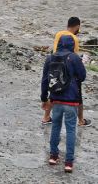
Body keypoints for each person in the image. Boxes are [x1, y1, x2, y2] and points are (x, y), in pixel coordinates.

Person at [41, 32, 87, 173]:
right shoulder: (74, 58)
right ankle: (68, 162)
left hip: (55, 98)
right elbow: (82, 77)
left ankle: (53, 156)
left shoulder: (50, 57)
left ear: (59, 44)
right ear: (72, 45)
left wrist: (44, 98)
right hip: (72, 99)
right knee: (71, 129)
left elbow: (44, 79)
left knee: (56, 126)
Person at [42, 17, 91, 127]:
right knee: (78, 96)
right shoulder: (74, 38)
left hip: (55, 65)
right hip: (68, 68)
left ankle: (46, 117)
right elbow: (74, 56)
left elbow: (56, 49)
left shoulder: (59, 34)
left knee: (53, 91)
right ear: (77, 26)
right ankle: (81, 120)